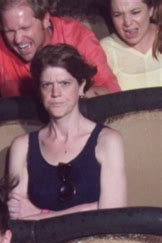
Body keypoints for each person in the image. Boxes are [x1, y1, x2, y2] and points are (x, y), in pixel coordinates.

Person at [0, 0, 120, 130]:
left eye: (25, 28)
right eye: (9, 31)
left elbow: (112, 95)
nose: (18, 39)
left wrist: (75, 94)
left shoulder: (78, 37)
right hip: (21, 132)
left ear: (45, 19)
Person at [7, 44, 127, 220]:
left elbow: (112, 216)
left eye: (64, 83)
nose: (55, 93)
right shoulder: (22, 146)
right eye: (47, 85)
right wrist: (90, 208)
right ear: (39, 92)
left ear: (80, 87)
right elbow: (19, 219)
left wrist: (42, 214)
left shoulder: (108, 140)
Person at [101, 0, 161, 90]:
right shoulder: (104, 50)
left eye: (135, 12)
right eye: (118, 15)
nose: (127, 22)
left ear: (150, 10)